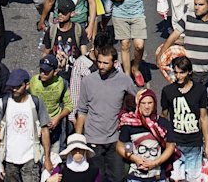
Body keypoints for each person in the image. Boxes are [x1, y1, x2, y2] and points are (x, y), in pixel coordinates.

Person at [75, 45, 137, 182]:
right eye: (99, 62)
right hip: (92, 139)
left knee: (118, 177)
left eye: (105, 63)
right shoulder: (88, 81)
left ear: (114, 63)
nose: (101, 66)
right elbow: (82, 111)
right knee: (96, 178)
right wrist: (78, 140)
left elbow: (137, 103)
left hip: (116, 140)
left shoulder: (125, 81)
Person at [0, 67, 52, 181]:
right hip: (8, 159)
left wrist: (47, 158)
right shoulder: (2, 103)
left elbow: (45, 131)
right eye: (12, 86)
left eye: (18, 86)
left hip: (31, 158)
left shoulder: (36, 103)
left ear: (27, 85)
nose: (14, 89)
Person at [106, 0, 153, 86]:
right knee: (125, 45)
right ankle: (127, 76)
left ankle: (135, 68)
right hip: (120, 14)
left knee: (139, 45)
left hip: (137, 13)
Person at [161, 56, 208, 181]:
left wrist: (207, 145)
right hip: (174, 144)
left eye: (182, 73)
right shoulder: (168, 91)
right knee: (174, 179)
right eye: (176, 72)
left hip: (194, 144)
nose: (178, 76)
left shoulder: (200, 90)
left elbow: (204, 118)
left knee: (193, 179)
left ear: (189, 72)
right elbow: (164, 116)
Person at [117, 88, 177, 181]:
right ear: (138, 104)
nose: (147, 106)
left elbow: (170, 146)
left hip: (157, 175)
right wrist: (135, 158)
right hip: (135, 176)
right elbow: (120, 147)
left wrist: (155, 162)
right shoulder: (129, 124)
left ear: (154, 104)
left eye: (150, 103)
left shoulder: (163, 124)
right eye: (143, 103)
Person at [29, 54, 74, 155]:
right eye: (41, 70)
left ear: (55, 72)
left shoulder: (62, 83)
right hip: (37, 127)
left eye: (46, 71)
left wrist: (57, 118)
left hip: (55, 127)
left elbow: (69, 106)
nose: (42, 74)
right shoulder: (33, 81)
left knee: (55, 157)